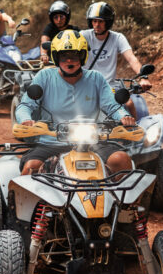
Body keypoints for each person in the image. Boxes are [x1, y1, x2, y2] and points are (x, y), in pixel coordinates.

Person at [15, 30, 135, 175]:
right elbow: (26, 105)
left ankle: (122, 198)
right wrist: (26, 119)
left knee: (121, 159)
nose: (69, 61)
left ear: (83, 56)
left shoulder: (96, 78)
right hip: (52, 142)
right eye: (64, 56)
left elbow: (112, 105)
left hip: (92, 141)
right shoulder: (44, 76)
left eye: (74, 55)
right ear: (56, 57)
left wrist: (123, 116)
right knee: (31, 167)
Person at [80, 2, 152, 117]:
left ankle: (134, 131)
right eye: (94, 21)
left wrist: (143, 77)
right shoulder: (83, 36)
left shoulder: (117, 38)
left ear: (108, 22)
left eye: (101, 21)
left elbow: (131, 58)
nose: (97, 25)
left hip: (109, 85)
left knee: (128, 103)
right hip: (85, 85)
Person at [39, 0, 78, 65]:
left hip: (71, 61)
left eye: (61, 17)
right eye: (56, 17)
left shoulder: (74, 30)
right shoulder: (49, 28)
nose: (59, 20)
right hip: (53, 62)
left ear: (67, 17)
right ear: (52, 19)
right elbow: (44, 42)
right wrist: (44, 54)